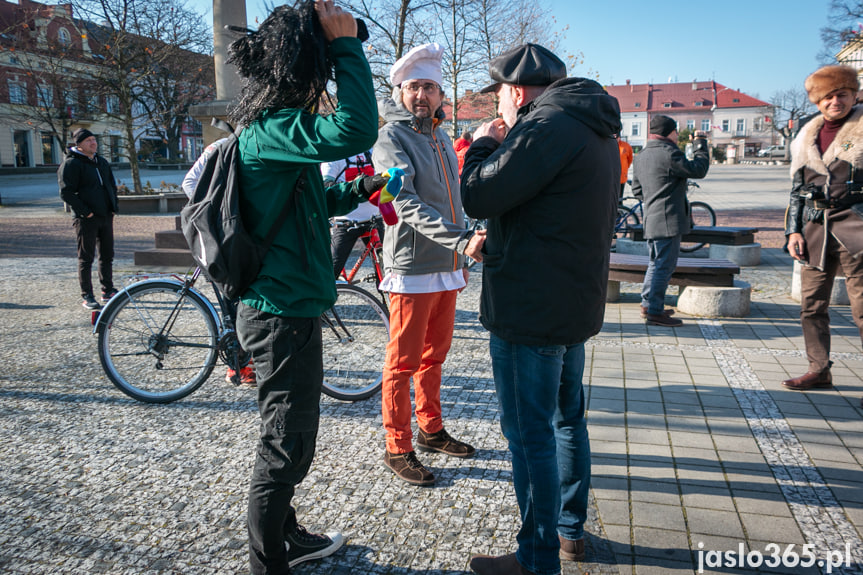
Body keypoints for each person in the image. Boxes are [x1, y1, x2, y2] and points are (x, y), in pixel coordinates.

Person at [226, 2, 382, 573]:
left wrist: (355, 193)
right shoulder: (270, 131)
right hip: (279, 314)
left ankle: (286, 534)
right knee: (285, 444)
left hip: (290, 308)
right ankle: (266, 562)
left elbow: (304, 201)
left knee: (290, 437)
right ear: (302, 68)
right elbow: (357, 127)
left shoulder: (274, 131)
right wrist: (347, 46)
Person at [461, 43, 621, 575]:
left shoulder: (544, 126)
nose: (501, 107)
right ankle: (569, 533)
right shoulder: (592, 122)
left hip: (529, 308)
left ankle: (536, 558)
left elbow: (480, 195)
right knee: (566, 421)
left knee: (530, 435)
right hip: (570, 301)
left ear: (515, 91)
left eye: (501, 97)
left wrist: (483, 145)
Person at [373, 42, 486, 486]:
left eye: (430, 88)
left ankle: (430, 428)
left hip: (448, 264)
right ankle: (397, 445)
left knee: (434, 355)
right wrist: (462, 240)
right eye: (414, 87)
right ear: (401, 92)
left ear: (441, 95)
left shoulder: (440, 135)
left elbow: (453, 197)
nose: (422, 95)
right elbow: (403, 203)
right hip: (412, 265)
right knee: (401, 362)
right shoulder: (391, 138)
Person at [783, 64, 863, 400]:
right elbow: (795, 189)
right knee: (811, 305)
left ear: (854, 94)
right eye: (827, 96)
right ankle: (819, 369)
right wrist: (792, 232)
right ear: (818, 101)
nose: (835, 101)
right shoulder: (806, 134)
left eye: (841, 94)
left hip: (857, 229)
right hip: (814, 231)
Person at [182, 138, 256, 387]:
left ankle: (244, 362)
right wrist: (216, 210)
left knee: (237, 302)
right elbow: (190, 183)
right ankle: (237, 367)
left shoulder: (242, 144)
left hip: (229, 232)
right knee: (232, 304)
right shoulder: (223, 146)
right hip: (218, 235)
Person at [631, 115, 709, 327]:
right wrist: (700, 144)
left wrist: (655, 198)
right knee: (663, 266)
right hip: (668, 219)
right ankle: (654, 312)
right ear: (669, 132)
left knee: (655, 264)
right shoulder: (669, 153)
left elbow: (637, 190)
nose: (677, 135)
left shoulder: (641, 155)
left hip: (651, 218)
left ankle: (648, 305)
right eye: (675, 131)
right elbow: (698, 170)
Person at [58, 128, 119, 310]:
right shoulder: (71, 164)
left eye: (94, 139)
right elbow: (66, 193)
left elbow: (111, 185)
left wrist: (113, 206)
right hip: (86, 219)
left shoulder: (101, 161)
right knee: (86, 258)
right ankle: (87, 295)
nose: (93, 143)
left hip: (105, 216)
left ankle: (107, 290)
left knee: (107, 255)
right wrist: (86, 212)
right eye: (88, 141)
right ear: (79, 145)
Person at [321, 150, 383, 279]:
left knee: (387, 270)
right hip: (346, 222)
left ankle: (385, 298)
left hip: (374, 219)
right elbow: (326, 184)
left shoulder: (373, 151)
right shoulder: (336, 154)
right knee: (330, 273)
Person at [618, 133, 633, 197]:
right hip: (610, 177)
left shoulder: (626, 146)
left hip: (622, 176)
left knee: (620, 197)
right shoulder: (608, 145)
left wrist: (625, 168)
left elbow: (630, 159)